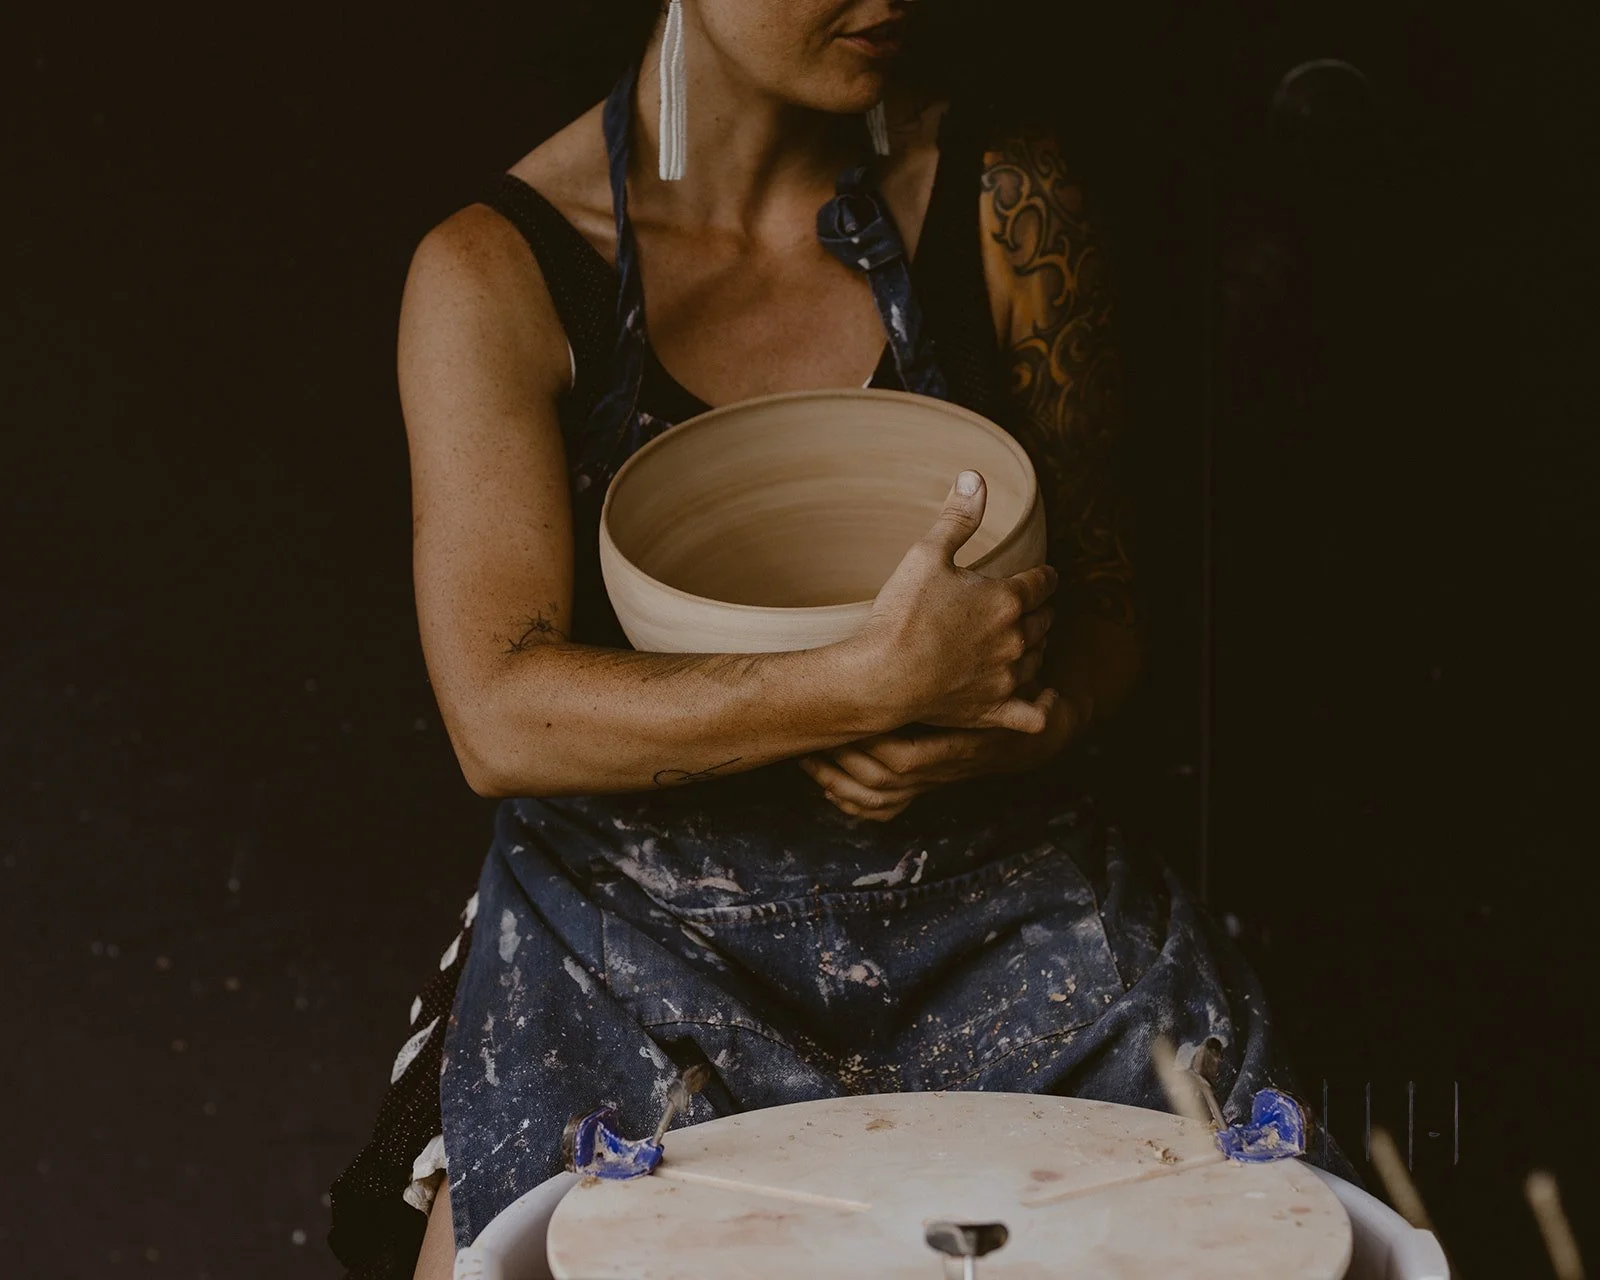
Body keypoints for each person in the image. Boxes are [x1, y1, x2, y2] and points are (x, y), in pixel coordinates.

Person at [328, 3, 1313, 1276]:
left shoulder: (1002, 200)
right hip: (632, 934)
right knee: (511, 1252)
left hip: (1003, 903)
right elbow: (499, 715)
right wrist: (865, 685)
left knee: (1272, 1223)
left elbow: (1110, 610)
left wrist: (1026, 723)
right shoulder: (495, 270)